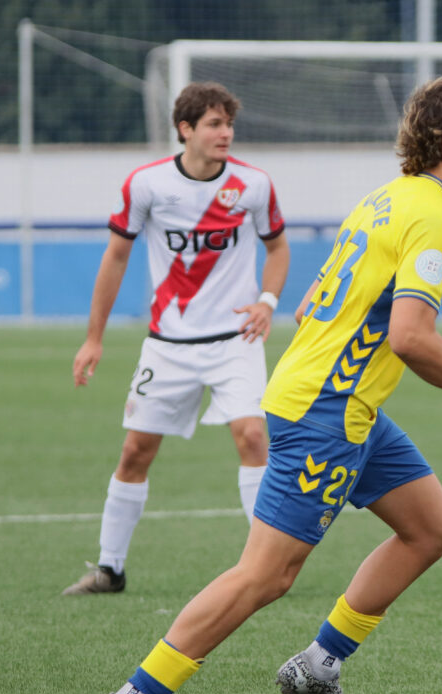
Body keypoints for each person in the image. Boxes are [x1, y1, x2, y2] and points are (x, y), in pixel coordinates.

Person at [91, 69, 442, 694]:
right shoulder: (433, 221)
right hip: (326, 407)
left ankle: (319, 664)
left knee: (431, 527)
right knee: (266, 574)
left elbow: (313, 302)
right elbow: (411, 337)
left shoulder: (386, 200)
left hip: (343, 401)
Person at [62, 82, 290, 596]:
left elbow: (278, 250)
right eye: (213, 124)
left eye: (229, 123)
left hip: (236, 340)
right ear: (185, 129)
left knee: (253, 437)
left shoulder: (254, 185)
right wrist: (93, 339)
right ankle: (109, 569)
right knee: (136, 451)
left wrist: (267, 302)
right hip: (167, 346)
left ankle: (266, 568)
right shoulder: (146, 185)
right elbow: (115, 258)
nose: (225, 133)